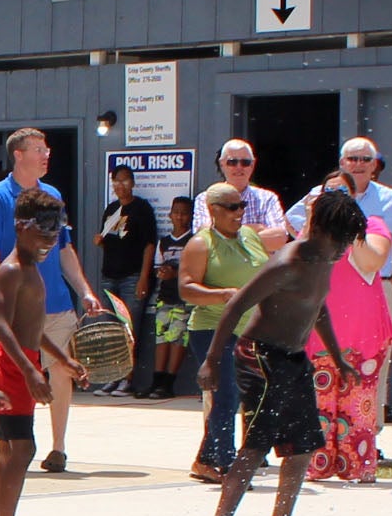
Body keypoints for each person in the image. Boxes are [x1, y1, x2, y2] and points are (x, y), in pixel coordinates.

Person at [198, 189, 367, 516]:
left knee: (303, 443)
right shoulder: (289, 261)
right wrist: (211, 360)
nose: (343, 250)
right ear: (320, 228)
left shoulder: (326, 259)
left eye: (348, 242)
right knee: (256, 445)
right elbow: (236, 305)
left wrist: (337, 357)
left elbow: (317, 307)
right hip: (259, 356)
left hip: (292, 358)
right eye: (340, 240)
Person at [0, 127, 106, 472]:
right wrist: (2, 299)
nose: (46, 155)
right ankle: (5, 446)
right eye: (38, 150)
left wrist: (85, 291)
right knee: (9, 376)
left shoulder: (52, 195)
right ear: (18, 155)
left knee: (60, 371)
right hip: (14, 308)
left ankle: (58, 448)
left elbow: (65, 250)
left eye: (46, 150)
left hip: (57, 303)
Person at [0, 191, 61, 516]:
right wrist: (30, 372)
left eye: (54, 235)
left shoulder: (32, 269)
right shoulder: (11, 270)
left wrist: (62, 359)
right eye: (43, 234)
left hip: (19, 363)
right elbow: (4, 327)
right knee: (23, 449)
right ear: (20, 227)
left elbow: (33, 327)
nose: (49, 241)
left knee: (10, 453)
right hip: (9, 368)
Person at [301, 178, 392, 483]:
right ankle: (317, 465)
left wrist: (352, 228)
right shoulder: (315, 235)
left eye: (344, 192)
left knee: (358, 406)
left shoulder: (374, 226)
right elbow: (301, 261)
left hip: (362, 336)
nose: (338, 198)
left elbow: (374, 260)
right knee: (318, 405)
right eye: (330, 193)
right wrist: (311, 220)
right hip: (319, 335)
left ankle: (357, 466)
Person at [330, 137, 392, 434]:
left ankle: (369, 435)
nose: (358, 165)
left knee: (374, 361)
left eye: (364, 159)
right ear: (342, 163)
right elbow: (292, 223)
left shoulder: (389, 199)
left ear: (374, 165)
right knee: (326, 359)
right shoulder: (325, 193)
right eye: (352, 158)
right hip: (331, 290)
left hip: (375, 286)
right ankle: (329, 433)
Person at [180, 182, 267, 482]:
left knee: (240, 395)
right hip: (212, 328)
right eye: (232, 207)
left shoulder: (251, 237)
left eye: (241, 205)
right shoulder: (201, 244)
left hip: (249, 331)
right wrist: (223, 294)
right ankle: (228, 465)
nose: (239, 212)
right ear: (213, 210)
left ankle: (205, 460)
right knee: (226, 394)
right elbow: (186, 288)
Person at [92, 161, 162, 397]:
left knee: (129, 329)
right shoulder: (111, 209)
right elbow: (107, 237)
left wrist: (144, 277)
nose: (120, 185)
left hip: (133, 277)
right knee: (111, 330)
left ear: (132, 183)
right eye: (116, 181)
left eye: (124, 180)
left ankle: (127, 379)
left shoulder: (141, 209)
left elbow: (149, 245)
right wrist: (100, 241)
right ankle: (112, 378)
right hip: (109, 277)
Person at [144, 194, 194, 400]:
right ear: (170, 215)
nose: (180, 217)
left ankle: (169, 383)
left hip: (184, 299)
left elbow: (195, 269)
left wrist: (176, 273)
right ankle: (157, 380)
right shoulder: (163, 242)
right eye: (176, 213)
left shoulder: (194, 240)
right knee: (162, 337)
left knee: (178, 338)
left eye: (184, 213)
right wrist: (162, 274)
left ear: (190, 216)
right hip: (165, 297)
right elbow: (157, 267)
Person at [214, 138, 290, 239]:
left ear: (252, 165)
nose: (239, 167)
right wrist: (258, 229)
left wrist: (226, 233)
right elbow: (206, 238)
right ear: (222, 164)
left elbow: (279, 237)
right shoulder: (205, 199)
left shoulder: (267, 198)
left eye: (245, 162)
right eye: (232, 162)